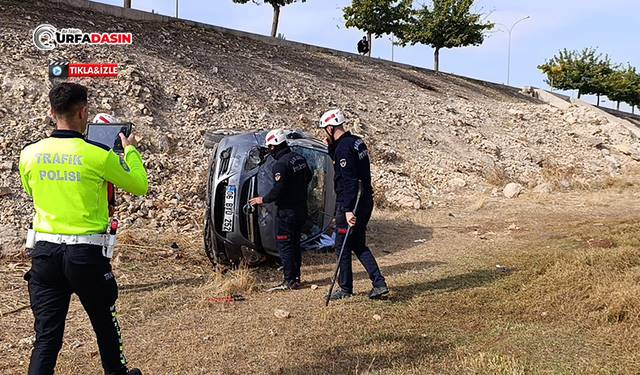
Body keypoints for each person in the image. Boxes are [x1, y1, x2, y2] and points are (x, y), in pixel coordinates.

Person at [19, 83, 148, 375]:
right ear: (83, 112)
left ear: (52, 112)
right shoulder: (99, 155)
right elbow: (139, 185)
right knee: (104, 326)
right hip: (86, 255)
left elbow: (32, 190)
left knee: (47, 338)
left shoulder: (29, 154)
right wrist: (130, 153)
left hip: (44, 254)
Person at [319, 109, 388, 301]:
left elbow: (348, 180)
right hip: (365, 200)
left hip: (351, 204)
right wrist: (331, 148)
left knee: (342, 247)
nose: (324, 134)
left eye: (325, 131)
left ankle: (345, 289)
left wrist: (348, 210)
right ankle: (379, 284)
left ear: (331, 128)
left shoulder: (343, 149)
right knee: (358, 244)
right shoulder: (356, 142)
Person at [249, 129, 312, 291]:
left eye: (270, 147)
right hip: (301, 209)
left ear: (273, 147)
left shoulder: (280, 165)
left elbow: (278, 189)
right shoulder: (299, 158)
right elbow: (309, 177)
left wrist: (262, 199)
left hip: (287, 212)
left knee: (284, 245)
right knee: (295, 244)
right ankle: (295, 277)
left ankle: (290, 280)